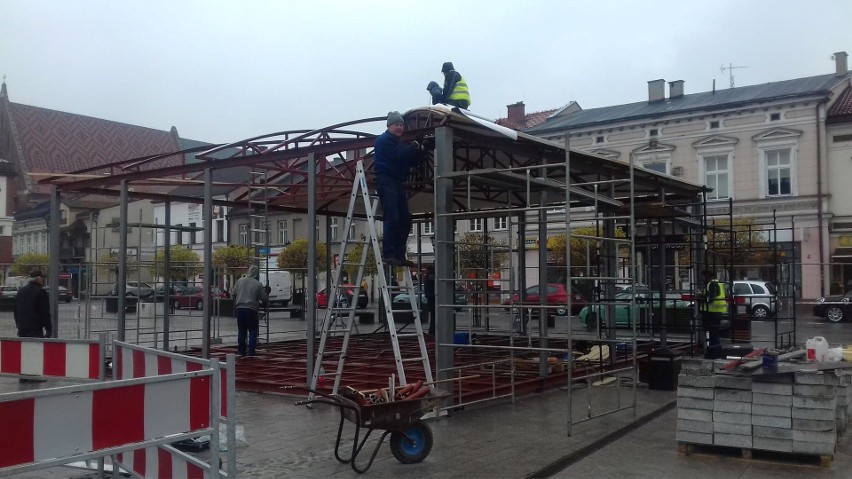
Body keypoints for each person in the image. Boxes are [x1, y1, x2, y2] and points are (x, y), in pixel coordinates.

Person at [373, 111, 423, 267]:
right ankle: (389, 254)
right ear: (389, 126)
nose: (400, 127)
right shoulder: (384, 141)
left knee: (405, 220)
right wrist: (414, 146)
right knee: (393, 217)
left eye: (401, 125)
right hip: (387, 181)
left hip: (396, 182)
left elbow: (410, 160)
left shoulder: (397, 143)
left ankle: (399, 255)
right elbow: (400, 156)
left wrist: (419, 150)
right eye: (397, 125)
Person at [232, 265, 269, 357]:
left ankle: (241, 351)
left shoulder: (240, 281)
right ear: (257, 273)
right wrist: (266, 293)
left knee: (241, 331)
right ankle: (251, 351)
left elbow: (233, 293)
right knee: (252, 330)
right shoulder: (258, 284)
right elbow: (264, 298)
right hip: (251, 309)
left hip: (240, 308)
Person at [700, 271, 729, 359]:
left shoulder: (712, 284)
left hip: (712, 312)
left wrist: (702, 296)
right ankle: (715, 351)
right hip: (717, 312)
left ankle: (714, 352)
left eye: (703, 277)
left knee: (713, 333)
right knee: (714, 332)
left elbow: (711, 299)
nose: (702, 279)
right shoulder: (719, 283)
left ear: (708, 276)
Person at [14, 270, 52, 338]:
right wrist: (49, 329)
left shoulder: (21, 291)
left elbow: (15, 310)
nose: (43, 280)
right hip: (35, 329)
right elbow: (45, 312)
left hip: (22, 329)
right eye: (42, 278)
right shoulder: (41, 292)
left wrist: (18, 325)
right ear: (38, 279)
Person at [423, 265, 436, 335]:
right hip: (432, 296)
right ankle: (432, 329)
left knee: (433, 314)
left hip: (430, 296)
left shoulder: (428, 276)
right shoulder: (431, 276)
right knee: (434, 314)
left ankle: (432, 329)